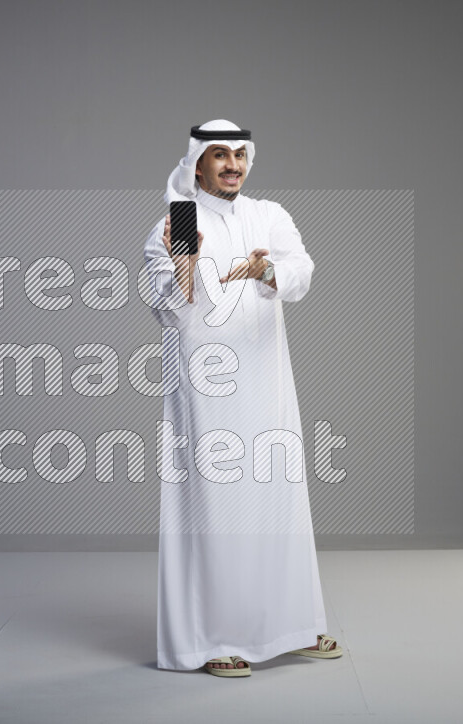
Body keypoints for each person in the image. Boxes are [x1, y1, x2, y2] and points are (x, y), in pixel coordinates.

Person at [142, 119, 343, 677]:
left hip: (267, 379)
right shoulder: (177, 220)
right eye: (220, 155)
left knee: (278, 498)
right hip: (207, 389)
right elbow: (167, 308)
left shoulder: (269, 214)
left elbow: (301, 271)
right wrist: (185, 259)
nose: (232, 164)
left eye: (240, 154)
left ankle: (294, 626)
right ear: (198, 163)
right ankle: (214, 639)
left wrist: (267, 270)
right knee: (216, 506)